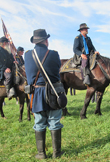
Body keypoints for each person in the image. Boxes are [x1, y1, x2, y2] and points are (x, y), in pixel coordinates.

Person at [24, 29, 64, 159]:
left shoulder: (27, 55)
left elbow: (29, 78)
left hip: (36, 94)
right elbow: (56, 74)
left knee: (39, 122)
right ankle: (56, 153)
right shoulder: (54, 54)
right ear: (46, 41)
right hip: (52, 92)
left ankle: (41, 154)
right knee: (54, 122)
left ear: (35, 41)